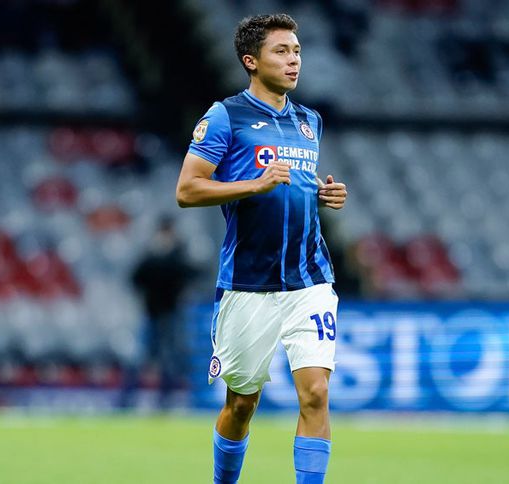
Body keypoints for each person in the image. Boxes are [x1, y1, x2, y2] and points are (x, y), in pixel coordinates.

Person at [175, 13, 347, 484]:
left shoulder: (309, 121)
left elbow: (293, 184)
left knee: (316, 393)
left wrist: (322, 194)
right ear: (251, 61)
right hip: (249, 283)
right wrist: (253, 184)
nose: (294, 60)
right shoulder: (225, 116)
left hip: (310, 279)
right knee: (241, 404)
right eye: (281, 51)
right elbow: (187, 189)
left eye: (297, 51)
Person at [131, 216, 197, 402]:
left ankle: (168, 398)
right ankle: (129, 398)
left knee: (172, 357)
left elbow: (189, 273)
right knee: (145, 356)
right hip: (152, 312)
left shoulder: (177, 254)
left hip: (171, 312)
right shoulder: (150, 255)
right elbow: (137, 277)